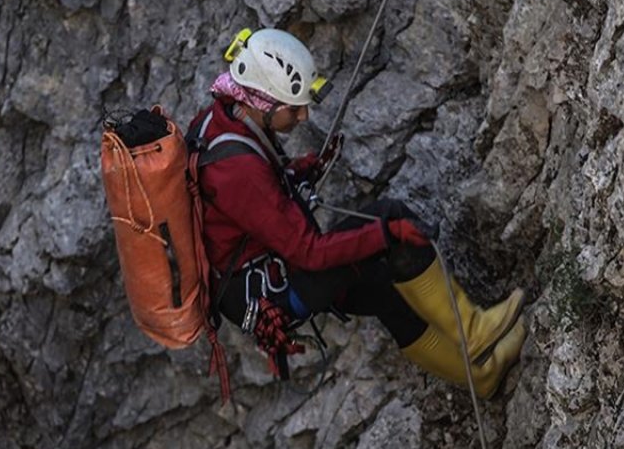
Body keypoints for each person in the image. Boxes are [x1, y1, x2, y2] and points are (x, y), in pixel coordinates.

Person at [187, 28, 527, 398]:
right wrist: (386, 234)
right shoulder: (238, 168)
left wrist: (300, 171)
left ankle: (483, 378)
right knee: (388, 218)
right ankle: (475, 334)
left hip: (259, 282)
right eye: (293, 108)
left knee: (382, 290)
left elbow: (250, 207)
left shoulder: (223, 117)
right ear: (264, 103)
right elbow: (310, 252)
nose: (303, 117)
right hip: (278, 291)